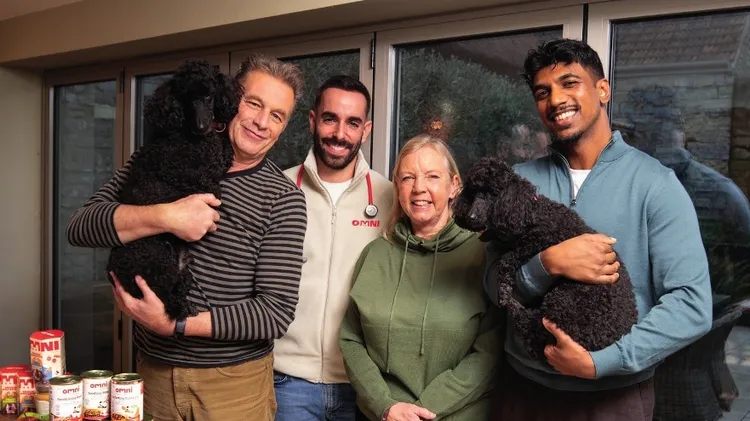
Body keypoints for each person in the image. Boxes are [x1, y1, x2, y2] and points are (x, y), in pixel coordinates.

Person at [65, 53, 307, 421]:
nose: (261, 122)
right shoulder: (163, 154)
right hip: (154, 375)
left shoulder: (283, 199)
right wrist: (165, 216)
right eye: (254, 103)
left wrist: (174, 324)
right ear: (230, 98)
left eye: (277, 115)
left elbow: (274, 313)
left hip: (234, 388)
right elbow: (80, 226)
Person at [486, 38, 713, 421]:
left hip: (613, 399)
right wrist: (548, 264)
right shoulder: (518, 183)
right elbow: (493, 286)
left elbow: (691, 304)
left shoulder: (655, 184)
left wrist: (603, 362)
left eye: (569, 83)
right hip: (522, 390)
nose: (556, 100)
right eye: (543, 92)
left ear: (603, 89)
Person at [340, 134, 503, 421]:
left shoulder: (483, 256)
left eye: (432, 176)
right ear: (397, 187)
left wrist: (424, 410)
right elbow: (351, 339)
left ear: (454, 185)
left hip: (458, 415)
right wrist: (385, 406)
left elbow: (490, 353)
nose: (419, 188)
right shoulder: (375, 254)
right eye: (408, 178)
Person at [273, 75, 393, 421]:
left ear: (365, 130)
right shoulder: (278, 189)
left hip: (363, 384)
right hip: (287, 381)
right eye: (330, 119)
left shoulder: (390, 198)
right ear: (313, 121)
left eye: (352, 123)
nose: (340, 134)